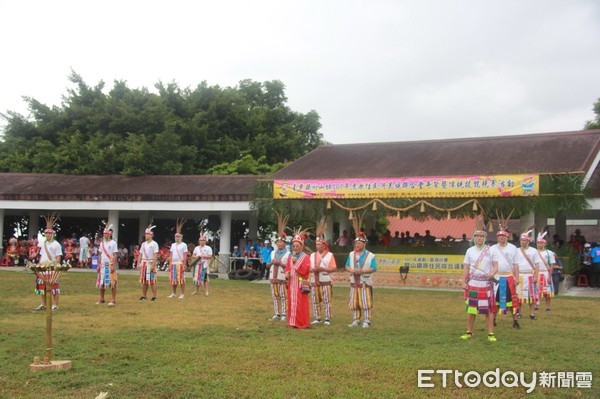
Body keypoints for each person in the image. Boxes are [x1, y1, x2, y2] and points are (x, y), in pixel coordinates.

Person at [460, 228, 498, 342]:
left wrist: (492, 273)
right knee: (471, 309)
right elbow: (466, 268)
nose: (479, 238)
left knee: (489, 310)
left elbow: (496, 266)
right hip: (473, 283)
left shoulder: (491, 250)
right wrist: (463, 281)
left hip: (486, 284)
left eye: (481, 236)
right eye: (477, 236)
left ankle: (491, 333)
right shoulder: (469, 251)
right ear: (474, 238)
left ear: (485, 238)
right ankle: (469, 331)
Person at [345, 232, 377, 328]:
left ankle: (367, 320)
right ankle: (356, 319)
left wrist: (362, 271)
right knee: (354, 302)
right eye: (356, 243)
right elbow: (346, 265)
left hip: (365, 282)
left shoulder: (371, 255)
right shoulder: (351, 254)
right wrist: (351, 270)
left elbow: (373, 268)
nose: (357, 245)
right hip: (354, 282)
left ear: (364, 244)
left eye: (359, 243)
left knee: (366, 301)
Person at [491, 227, 520, 329]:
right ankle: (493, 320)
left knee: (513, 301)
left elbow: (516, 264)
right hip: (496, 278)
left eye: (503, 236)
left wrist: (517, 277)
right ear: (497, 237)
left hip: (509, 277)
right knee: (494, 300)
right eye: (499, 236)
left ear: (507, 237)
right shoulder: (493, 248)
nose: (501, 238)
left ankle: (515, 321)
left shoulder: (513, 248)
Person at [34, 214, 63, 312]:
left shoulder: (56, 245)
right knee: (42, 286)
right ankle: (43, 304)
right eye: (46, 233)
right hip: (43, 267)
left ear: (53, 234)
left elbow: (58, 257)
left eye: (49, 233)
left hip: (52, 267)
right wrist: (38, 265)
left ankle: (55, 304)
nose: (47, 235)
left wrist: (57, 267)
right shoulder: (43, 243)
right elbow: (41, 255)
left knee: (54, 287)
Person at [284, 229, 311, 328]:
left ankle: (302, 322)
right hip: (292, 283)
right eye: (294, 246)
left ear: (301, 246)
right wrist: (286, 273)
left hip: (300, 283)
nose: (295, 248)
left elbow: (306, 270)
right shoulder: (290, 257)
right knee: (291, 302)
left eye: (297, 246)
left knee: (301, 303)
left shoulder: (305, 257)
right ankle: (292, 321)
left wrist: (296, 264)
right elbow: (287, 268)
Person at [309, 236, 337, 325]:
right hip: (314, 280)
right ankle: (317, 317)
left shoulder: (329, 255)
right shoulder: (312, 255)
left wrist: (323, 269)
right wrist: (312, 269)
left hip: (325, 280)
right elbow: (309, 268)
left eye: (320, 245)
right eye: (317, 245)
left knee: (327, 300)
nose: (318, 246)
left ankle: (327, 318)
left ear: (324, 246)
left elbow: (333, 268)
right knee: (315, 300)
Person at [514, 230, 541, 320]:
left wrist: (536, 276)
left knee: (531, 297)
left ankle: (532, 314)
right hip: (520, 275)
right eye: (522, 240)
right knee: (519, 296)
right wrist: (516, 277)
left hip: (530, 275)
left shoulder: (534, 251)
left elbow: (537, 264)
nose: (523, 242)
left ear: (528, 241)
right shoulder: (516, 251)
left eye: (525, 240)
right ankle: (519, 313)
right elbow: (515, 265)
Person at [268, 231, 290, 321]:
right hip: (273, 276)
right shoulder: (273, 252)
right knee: (275, 295)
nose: (279, 244)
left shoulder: (288, 254)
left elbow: (289, 266)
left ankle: (284, 313)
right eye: (278, 242)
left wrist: (279, 263)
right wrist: (271, 263)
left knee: (283, 295)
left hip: (282, 277)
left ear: (284, 243)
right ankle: (277, 313)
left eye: (281, 242)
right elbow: (267, 264)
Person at [96, 225, 118, 306]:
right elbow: (100, 254)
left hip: (110, 264)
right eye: (104, 233)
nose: (105, 235)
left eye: (106, 233)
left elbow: (115, 254)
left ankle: (113, 299)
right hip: (102, 265)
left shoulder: (113, 243)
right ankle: (101, 298)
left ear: (110, 234)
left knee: (112, 282)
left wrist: (113, 265)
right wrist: (98, 264)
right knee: (102, 282)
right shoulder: (101, 243)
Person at [168, 219, 188, 299]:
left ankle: (182, 293)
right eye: (176, 236)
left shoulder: (184, 245)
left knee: (181, 279)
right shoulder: (173, 245)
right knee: (174, 279)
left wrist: (184, 264)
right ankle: (173, 293)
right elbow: (171, 254)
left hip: (180, 263)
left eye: (178, 236)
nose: (177, 238)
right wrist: (170, 263)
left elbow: (185, 255)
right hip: (173, 263)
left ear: (181, 237)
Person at [138, 225, 159, 301]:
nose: (146, 235)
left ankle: (154, 296)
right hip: (144, 263)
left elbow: (155, 255)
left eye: (148, 234)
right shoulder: (143, 244)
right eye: (146, 234)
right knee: (144, 281)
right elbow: (140, 254)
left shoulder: (154, 244)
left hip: (150, 263)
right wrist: (138, 262)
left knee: (152, 280)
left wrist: (153, 265)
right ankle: (144, 295)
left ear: (151, 235)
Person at [535, 232, 556, 311]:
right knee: (536, 290)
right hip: (537, 273)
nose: (539, 244)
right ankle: (536, 305)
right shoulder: (534, 252)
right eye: (538, 243)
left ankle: (548, 306)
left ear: (544, 243)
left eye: (541, 243)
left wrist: (550, 276)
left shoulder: (549, 253)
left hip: (546, 273)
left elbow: (551, 265)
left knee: (547, 291)